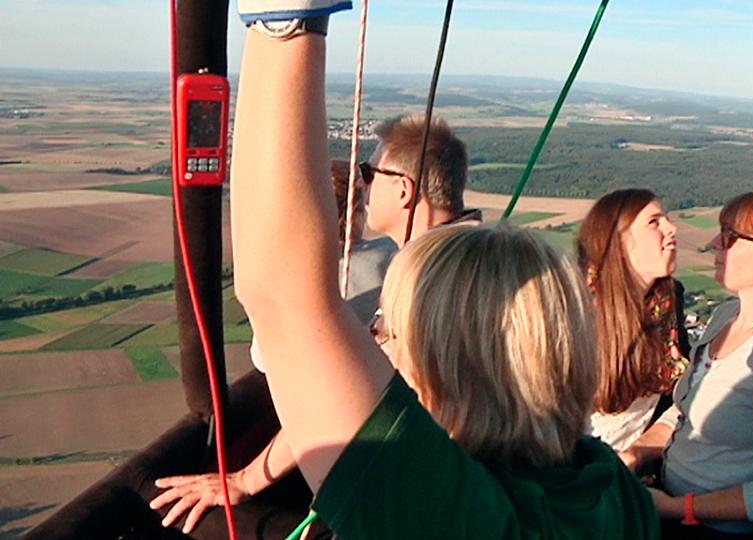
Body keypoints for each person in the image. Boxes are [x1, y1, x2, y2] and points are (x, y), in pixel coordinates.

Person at [157, 5, 659, 539]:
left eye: (396, 338)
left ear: (446, 372)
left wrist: (285, 20)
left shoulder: (458, 516)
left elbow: (283, 297)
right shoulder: (610, 488)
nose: (388, 354)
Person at [151, 160, 396, 533]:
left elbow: (270, 363)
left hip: (342, 453)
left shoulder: (302, 283)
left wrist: (244, 481)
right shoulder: (396, 257)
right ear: (357, 209)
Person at [629, 188, 753, 538]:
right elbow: (683, 410)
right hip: (668, 494)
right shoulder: (726, 315)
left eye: (731, 236)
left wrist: (676, 509)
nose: (713, 243)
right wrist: (636, 454)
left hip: (713, 528)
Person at [577, 189, 691, 461]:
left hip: (628, 467)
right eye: (654, 222)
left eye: (666, 219)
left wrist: (636, 456)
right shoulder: (575, 312)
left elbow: (681, 395)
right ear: (619, 242)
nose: (671, 228)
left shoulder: (668, 303)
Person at [362, 114, 480, 246]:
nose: (360, 183)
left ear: (403, 192)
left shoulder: (441, 263)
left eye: (369, 173)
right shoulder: (471, 251)